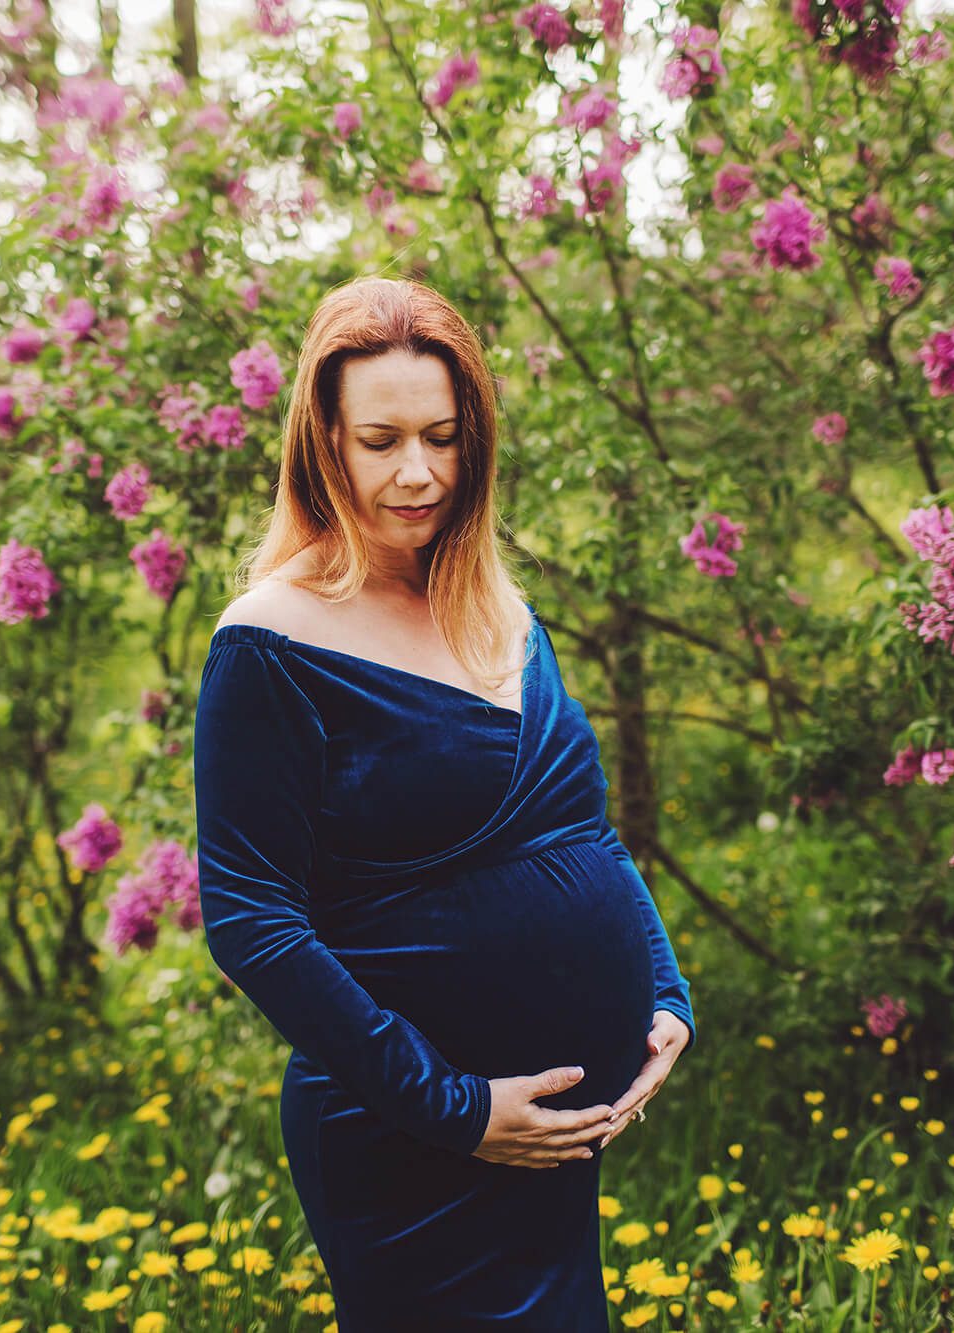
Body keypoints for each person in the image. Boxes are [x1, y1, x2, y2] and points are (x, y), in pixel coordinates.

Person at [194, 275, 695, 1331]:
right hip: (408, 1142)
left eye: (442, 435)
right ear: (322, 441)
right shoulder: (269, 638)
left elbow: (580, 831)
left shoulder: (499, 608)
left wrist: (662, 988)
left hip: (555, 1137)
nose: (416, 472)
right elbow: (249, 919)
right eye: (379, 440)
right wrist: (453, 1108)